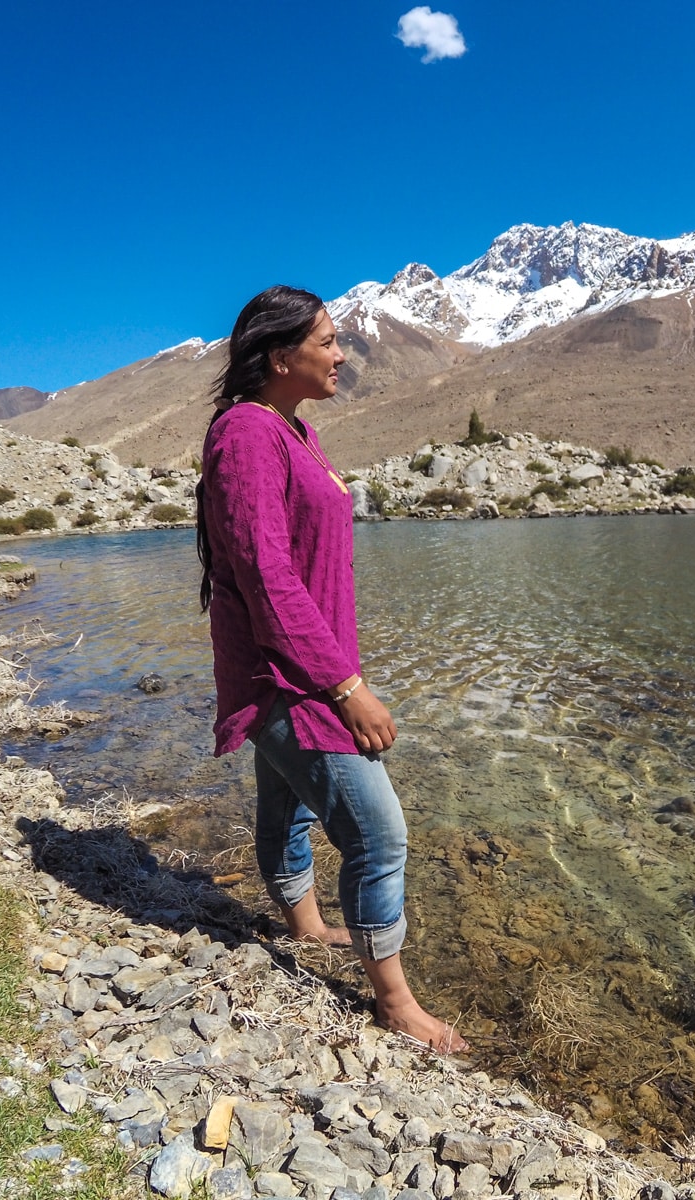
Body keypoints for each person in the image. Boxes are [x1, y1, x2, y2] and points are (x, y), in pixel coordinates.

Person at [196, 285, 467, 1054]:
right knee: (380, 834)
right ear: (282, 357)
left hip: (301, 664)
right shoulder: (248, 434)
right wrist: (345, 687)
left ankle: (307, 927)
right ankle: (394, 1002)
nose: (343, 354)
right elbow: (263, 575)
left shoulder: (294, 429)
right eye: (328, 341)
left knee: (288, 803)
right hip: (289, 675)